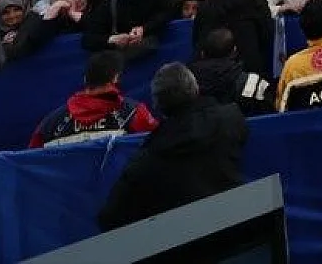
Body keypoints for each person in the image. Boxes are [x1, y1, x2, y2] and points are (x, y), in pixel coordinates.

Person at [96, 63, 247, 231]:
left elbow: (110, 218)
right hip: (238, 227)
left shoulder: (145, 160)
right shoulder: (231, 119)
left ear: (158, 106)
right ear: (196, 88)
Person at [29, 50, 158, 147]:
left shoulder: (51, 123)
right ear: (115, 78)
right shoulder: (134, 113)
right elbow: (159, 147)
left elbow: (31, 162)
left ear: (85, 79)